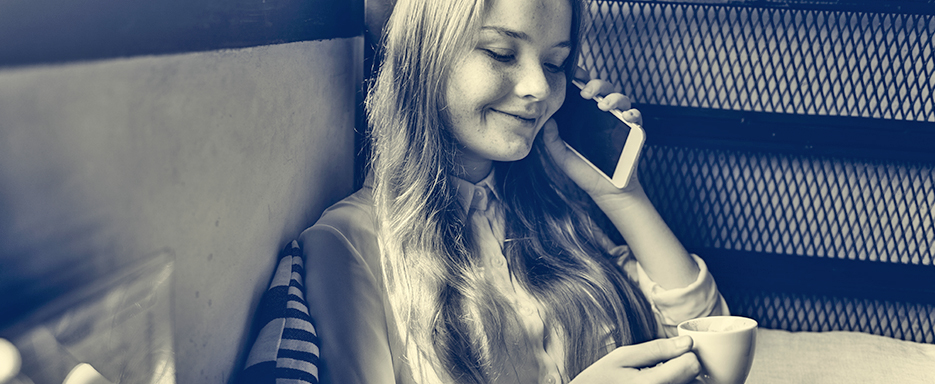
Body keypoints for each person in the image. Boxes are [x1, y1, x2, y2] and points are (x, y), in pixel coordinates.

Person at [300, 0, 729, 382]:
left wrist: (622, 195)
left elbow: (713, 341)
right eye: (502, 53)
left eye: (555, 64)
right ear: (424, 56)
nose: (539, 88)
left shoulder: (553, 216)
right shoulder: (347, 244)